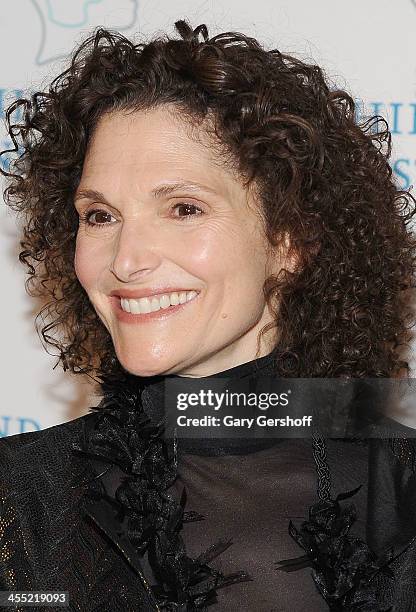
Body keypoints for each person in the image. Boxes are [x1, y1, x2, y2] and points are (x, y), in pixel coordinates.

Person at [1, 19, 416, 612]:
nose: (126, 260)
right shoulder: (19, 495)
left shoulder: (401, 491)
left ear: (291, 239)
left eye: (183, 208)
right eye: (100, 216)